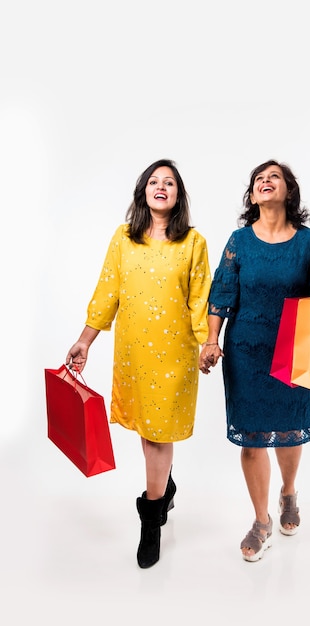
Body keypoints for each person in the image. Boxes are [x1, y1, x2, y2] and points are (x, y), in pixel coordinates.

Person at [199, 159, 310, 562]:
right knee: (250, 440)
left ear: (288, 191)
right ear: (252, 195)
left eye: (274, 177)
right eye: (258, 179)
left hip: (294, 350)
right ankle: (260, 520)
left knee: (287, 430)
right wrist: (212, 339)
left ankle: (288, 491)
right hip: (246, 352)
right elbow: (222, 293)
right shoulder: (239, 241)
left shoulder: (309, 240)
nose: (265, 182)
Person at [66, 159, 211, 568]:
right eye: (153, 181)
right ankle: (163, 489)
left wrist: (208, 343)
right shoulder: (123, 238)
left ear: (178, 194)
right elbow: (107, 291)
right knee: (149, 431)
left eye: (169, 182)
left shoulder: (193, 243)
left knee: (158, 435)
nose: (160, 186)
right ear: (143, 191)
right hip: (133, 353)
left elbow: (200, 299)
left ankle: (152, 520)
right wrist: (85, 340)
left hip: (175, 354)